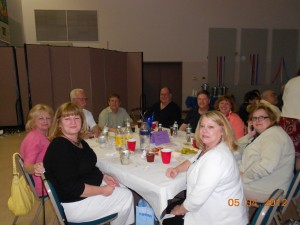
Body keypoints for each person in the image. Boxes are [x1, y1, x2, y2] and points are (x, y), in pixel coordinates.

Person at [43, 102, 134, 225]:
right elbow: (73, 188)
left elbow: (88, 167)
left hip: (82, 191)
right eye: (67, 118)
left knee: (122, 186)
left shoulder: (79, 141)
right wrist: (102, 190)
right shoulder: (60, 147)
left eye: (76, 117)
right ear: (59, 123)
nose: (73, 122)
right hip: (76, 204)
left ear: (82, 120)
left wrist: (103, 176)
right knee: (126, 196)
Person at [163, 111, 248, 225]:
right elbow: (194, 158)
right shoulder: (212, 147)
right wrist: (177, 169)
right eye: (202, 126)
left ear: (222, 130)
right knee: (170, 207)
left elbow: (197, 199)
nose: (204, 130)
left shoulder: (216, 158)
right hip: (215, 208)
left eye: (211, 127)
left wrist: (180, 209)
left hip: (221, 219)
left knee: (167, 217)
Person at [239, 104, 295, 202]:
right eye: (254, 118)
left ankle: (237, 214)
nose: (257, 121)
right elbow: (236, 147)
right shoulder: (269, 133)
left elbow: (266, 167)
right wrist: (249, 136)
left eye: (262, 117)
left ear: (272, 119)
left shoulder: (273, 137)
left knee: (223, 187)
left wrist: (244, 177)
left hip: (269, 192)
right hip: (270, 184)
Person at [20, 104, 53, 196]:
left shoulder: (43, 134)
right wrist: (36, 168)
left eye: (48, 118)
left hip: (48, 177)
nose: (45, 121)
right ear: (33, 121)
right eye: (41, 118)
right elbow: (27, 167)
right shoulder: (34, 138)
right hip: (44, 184)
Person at [280, 72, 300, 170]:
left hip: (286, 120)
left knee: (288, 153)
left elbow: (284, 99)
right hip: (298, 119)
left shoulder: (291, 81)